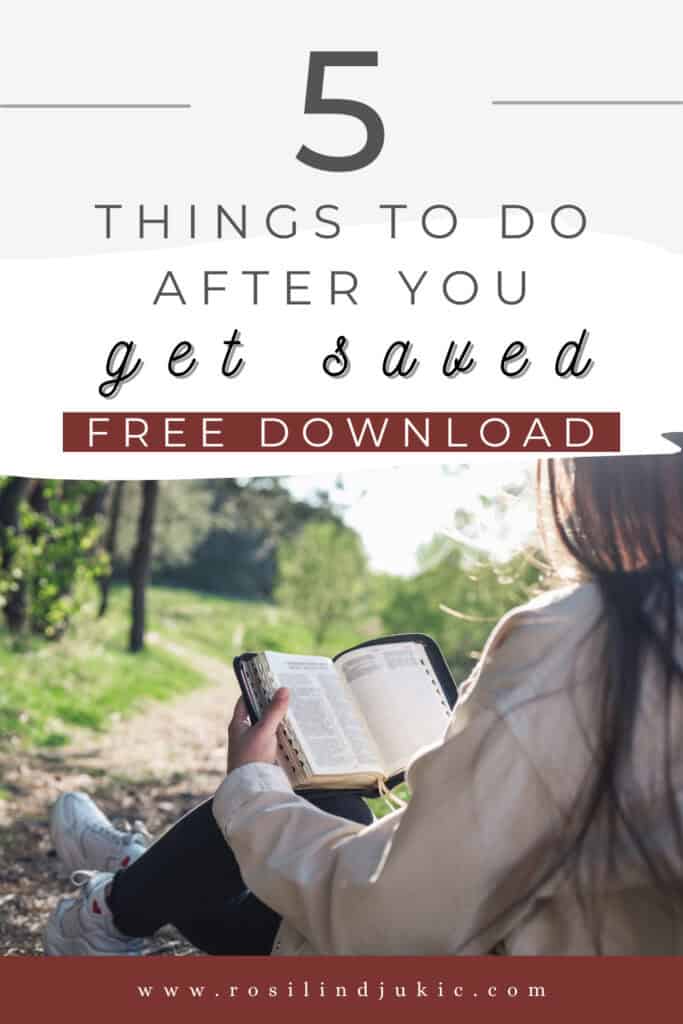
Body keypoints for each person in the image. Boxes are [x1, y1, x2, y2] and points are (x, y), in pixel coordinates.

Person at [44, 452, 683, 956]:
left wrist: (250, 788)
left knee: (282, 811)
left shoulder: (588, 640)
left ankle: (116, 904)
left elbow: (395, 922)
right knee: (331, 799)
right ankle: (140, 871)